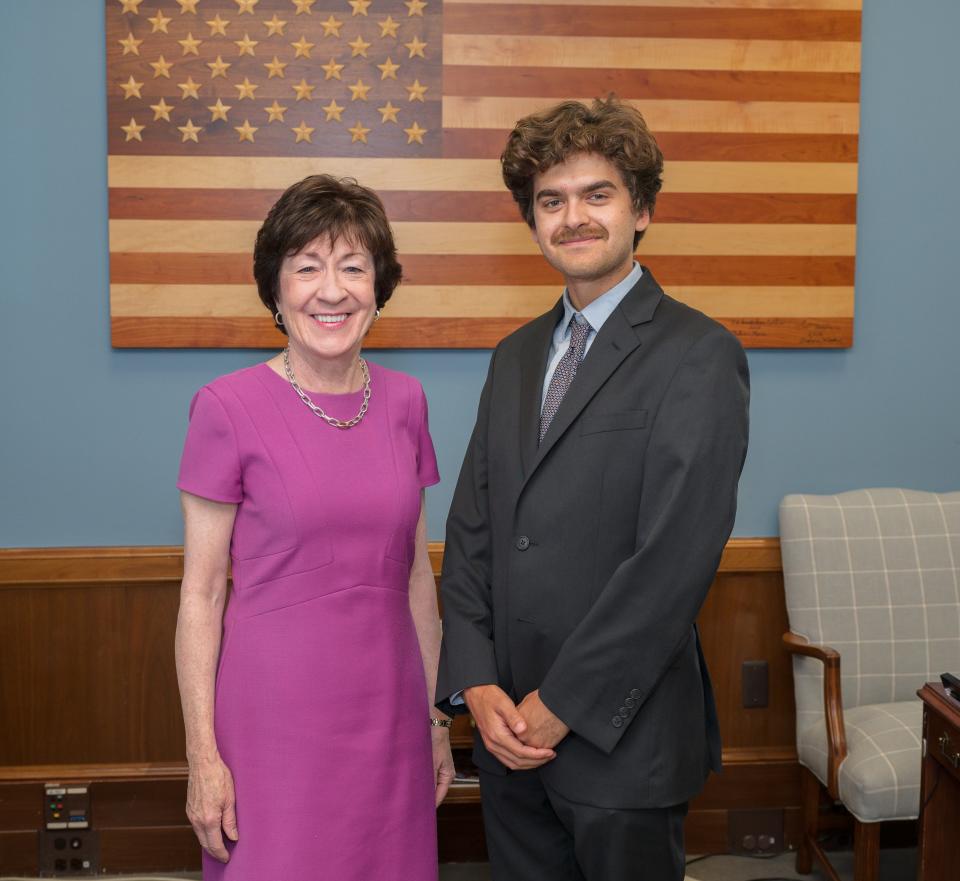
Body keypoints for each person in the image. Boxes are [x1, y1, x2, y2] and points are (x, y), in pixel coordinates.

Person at [435, 97, 750, 881]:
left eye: (596, 195)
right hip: (507, 734)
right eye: (551, 200)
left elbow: (670, 565)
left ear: (641, 209)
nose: (573, 217)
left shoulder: (699, 355)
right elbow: (473, 531)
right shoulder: (512, 357)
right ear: (532, 220)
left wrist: (561, 703)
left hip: (621, 740)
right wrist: (475, 684)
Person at [175, 174, 454, 880]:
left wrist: (434, 722)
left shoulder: (406, 401)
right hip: (272, 726)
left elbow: (416, 575)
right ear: (275, 290)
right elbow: (202, 595)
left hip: (391, 717)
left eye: (353, 267)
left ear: (378, 287)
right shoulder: (225, 407)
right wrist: (203, 757)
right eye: (307, 267)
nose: (332, 291)